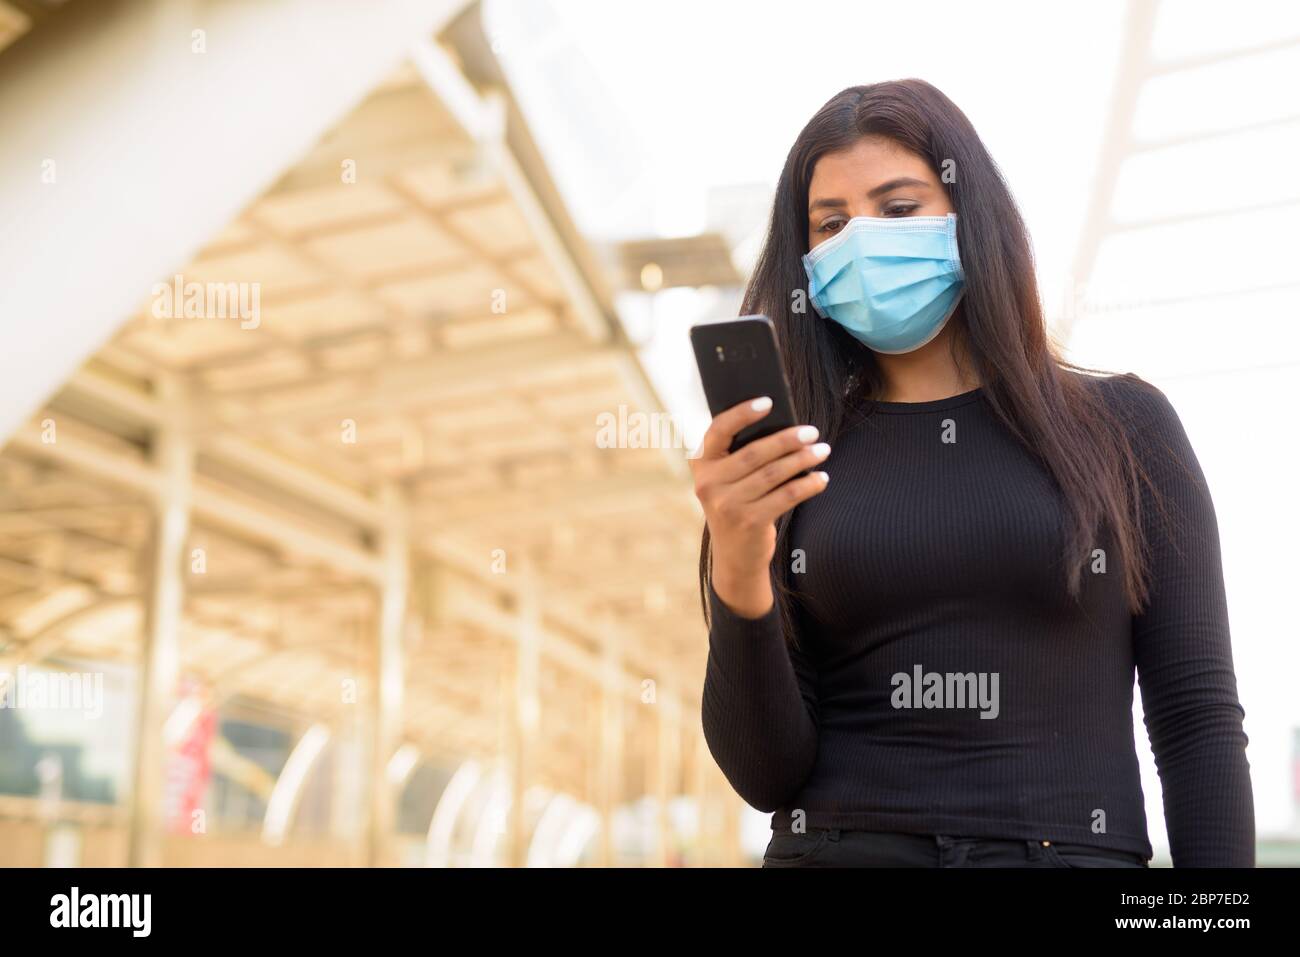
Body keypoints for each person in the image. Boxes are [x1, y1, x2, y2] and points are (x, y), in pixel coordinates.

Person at [693, 79, 1254, 868]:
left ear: (971, 216)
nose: (862, 240)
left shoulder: (1125, 429)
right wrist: (739, 566)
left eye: (897, 208)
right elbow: (764, 772)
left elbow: (1196, 720)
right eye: (831, 223)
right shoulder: (791, 460)